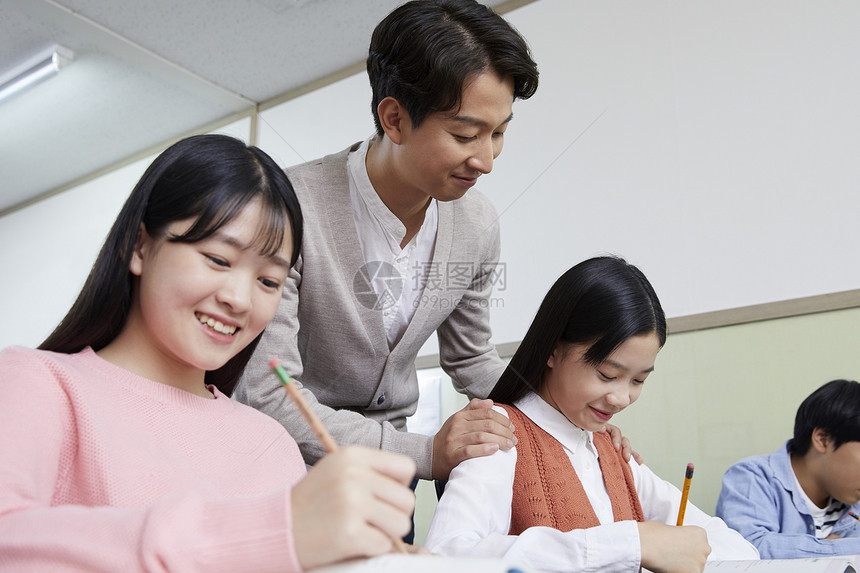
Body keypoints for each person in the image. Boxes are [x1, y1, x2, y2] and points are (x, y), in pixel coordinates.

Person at [235, 0, 634, 489]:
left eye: (500, 133)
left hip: (388, 482)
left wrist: (569, 415)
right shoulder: (287, 206)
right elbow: (268, 395)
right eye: (466, 134)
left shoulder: (477, 223)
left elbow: (471, 359)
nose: (486, 160)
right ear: (395, 119)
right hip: (283, 471)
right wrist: (426, 452)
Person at [0, 134, 418, 572]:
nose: (240, 299)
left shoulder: (270, 439)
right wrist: (273, 529)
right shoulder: (38, 383)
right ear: (140, 246)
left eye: (269, 281)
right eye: (218, 260)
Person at [424, 256, 759, 572]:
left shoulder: (613, 453)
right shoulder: (500, 434)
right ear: (553, 350)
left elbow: (740, 548)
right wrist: (629, 545)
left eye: (639, 380)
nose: (622, 398)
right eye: (607, 375)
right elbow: (447, 556)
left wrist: (672, 546)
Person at [715, 379, 860, 559]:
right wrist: (835, 548)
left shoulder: (852, 499)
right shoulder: (753, 477)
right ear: (823, 439)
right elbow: (751, 549)